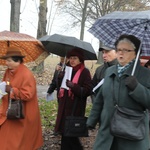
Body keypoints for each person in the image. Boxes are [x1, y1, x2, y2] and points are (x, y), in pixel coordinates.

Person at [87, 34, 150, 150]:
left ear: (136, 53)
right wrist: (91, 120)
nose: (121, 53)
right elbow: (100, 98)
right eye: (119, 49)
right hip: (107, 133)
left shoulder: (145, 74)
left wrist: (136, 88)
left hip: (131, 136)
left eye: (126, 50)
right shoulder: (110, 71)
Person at [0, 47, 43, 150]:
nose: (6, 63)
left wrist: (12, 90)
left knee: (19, 142)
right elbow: (5, 86)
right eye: (6, 60)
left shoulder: (26, 74)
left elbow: (28, 94)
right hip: (9, 110)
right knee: (7, 139)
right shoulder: (8, 72)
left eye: (9, 60)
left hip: (22, 113)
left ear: (18, 60)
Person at [54, 48, 92, 150]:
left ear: (80, 59)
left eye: (75, 58)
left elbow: (87, 91)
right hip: (64, 107)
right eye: (71, 58)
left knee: (71, 135)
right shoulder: (67, 70)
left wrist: (73, 86)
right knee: (65, 134)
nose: (72, 60)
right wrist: (59, 77)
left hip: (75, 109)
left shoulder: (85, 72)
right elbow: (60, 89)